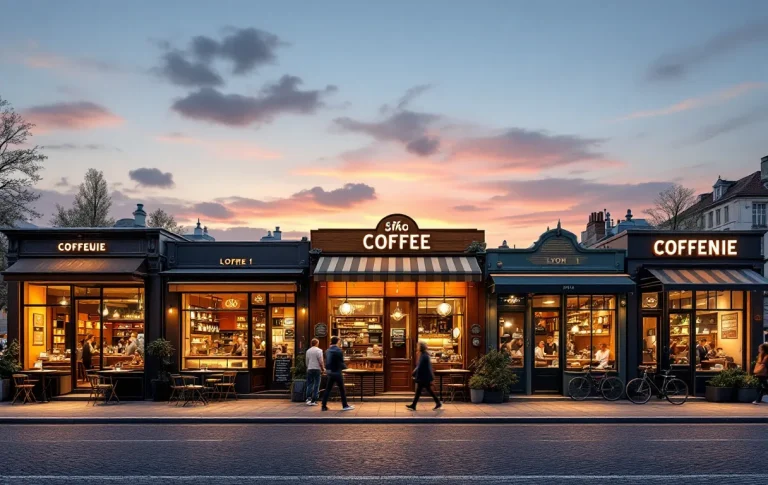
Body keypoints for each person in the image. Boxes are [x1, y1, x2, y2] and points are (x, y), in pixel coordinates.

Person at [321, 336, 354, 412]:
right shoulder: (339, 350)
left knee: (328, 389)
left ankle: (323, 406)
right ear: (337, 342)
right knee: (342, 389)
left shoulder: (327, 351)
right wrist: (346, 368)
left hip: (330, 372)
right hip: (337, 372)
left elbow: (326, 361)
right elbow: (341, 362)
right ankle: (345, 405)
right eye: (339, 341)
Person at [406, 341, 441, 411]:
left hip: (424, 377)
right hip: (425, 376)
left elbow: (420, 366)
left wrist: (414, 373)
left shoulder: (424, 355)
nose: (417, 347)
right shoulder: (424, 354)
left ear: (421, 347)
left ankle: (437, 402)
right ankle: (414, 405)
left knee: (423, 390)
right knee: (421, 390)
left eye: (418, 346)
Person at [305, 338, 325, 406]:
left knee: (309, 384)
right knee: (316, 384)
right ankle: (314, 400)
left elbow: (307, 361)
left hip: (310, 368)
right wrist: (322, 368)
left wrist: (308, 367)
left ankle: (308, 398)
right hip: (317, 369)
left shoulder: (308, 351)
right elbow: (321, 361)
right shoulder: (319, 350)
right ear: (317, 343)